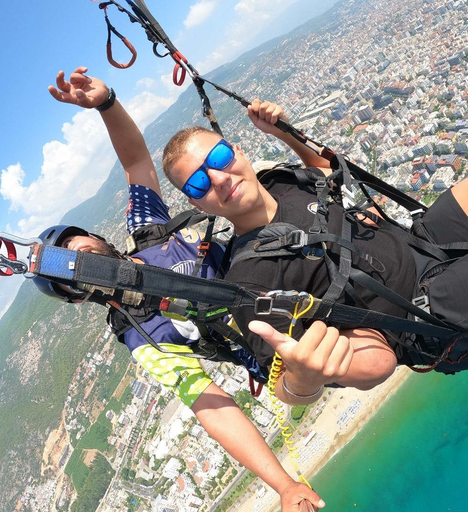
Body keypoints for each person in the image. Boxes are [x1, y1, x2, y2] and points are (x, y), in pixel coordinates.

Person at [160, 99, 468, 405]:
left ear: (238, 151)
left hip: (418, 242)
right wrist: (306, 380)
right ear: (195, 203)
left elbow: (328, 176)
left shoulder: (279, 178)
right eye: (200, 182)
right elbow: (284, 384)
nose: (220, 178)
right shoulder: (250, 283)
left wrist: (284, 134)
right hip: (417, 311)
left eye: (220, 158)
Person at [42, 67, 324, 511]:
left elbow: (136, 163)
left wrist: (106, 103)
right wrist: (284, 485)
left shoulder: (148, 233)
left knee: (281, 183)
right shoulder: (141, 335)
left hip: (291, 268)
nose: (83, 259)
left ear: (101, 239)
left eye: (80, 248)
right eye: (74, 268)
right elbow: (209, 404)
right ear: (79, 294)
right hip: (280, 344)